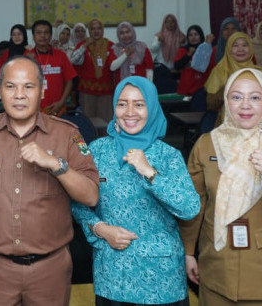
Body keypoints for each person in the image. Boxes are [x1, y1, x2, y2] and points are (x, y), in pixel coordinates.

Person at [0, 56, 99, 305]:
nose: (19, 94)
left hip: (49, 269)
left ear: (42, 91)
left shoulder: (66, 134)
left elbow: (91, 195)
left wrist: (57, 165)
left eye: (28, 86)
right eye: (10, 86)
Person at [179, 68, 262, 304]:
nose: (245, 105)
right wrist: (188, 252)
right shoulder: (206, 144)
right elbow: (195, 205)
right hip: (217, 275)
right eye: (236, 97)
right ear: (226, 101)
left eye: (255, 97)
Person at [72, 76, 200, 305]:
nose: (130, 112)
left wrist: (149, 172)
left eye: (139, 104)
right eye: (122, 104)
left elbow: (189, 208)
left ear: (151, 108)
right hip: (112, 275)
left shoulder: (167, 154)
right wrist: (100, 229)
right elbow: (78, 202)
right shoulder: (98, 150)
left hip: (162, 281)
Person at [204, 32, 262, 117]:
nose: (240, 49)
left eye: (244, 45)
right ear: (229, 49)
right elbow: (211, 105)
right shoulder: (219, 71)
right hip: (227, 123)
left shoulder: (259, 73)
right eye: (235, 46)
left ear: (251, 48)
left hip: (256, 123)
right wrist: (228, 88)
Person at [25, 19, 77, 116]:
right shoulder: (26, 57)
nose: (42, 36)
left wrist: (61, 102)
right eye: (39, 33)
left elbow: (69, 81)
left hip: (58, 108)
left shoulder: (61, 55)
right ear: (33, 36)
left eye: (46, 33)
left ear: (51, 36)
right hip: (33, 110)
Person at [73, 19, 115, 122]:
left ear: (103, 30)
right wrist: (85, 46)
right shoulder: (82, 45)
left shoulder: (110, 45)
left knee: (106, 122)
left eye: (99, 28)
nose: (96, 31)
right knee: (89, 122)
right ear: (89, 30)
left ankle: (105, 139)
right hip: (87, 91)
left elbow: (114, 66)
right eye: (93, 29)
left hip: (106, 91)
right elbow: (73, 61)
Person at [174, 24, 213, 97]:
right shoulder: (183, 50)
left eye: (196, 34)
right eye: (190, 35)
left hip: (202, 87)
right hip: (186, 89)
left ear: (201, 36)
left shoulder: (207, 50)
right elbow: (177, 66)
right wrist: (188, 54)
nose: (193, 37)